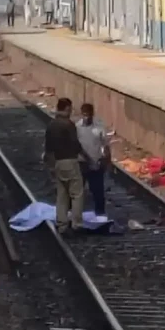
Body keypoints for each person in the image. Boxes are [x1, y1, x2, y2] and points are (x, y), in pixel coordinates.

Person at [44, 98, 88, 233]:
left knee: (62, 194)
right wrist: (86, 157)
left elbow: (48, 147)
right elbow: (75, 144)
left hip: (58, 162)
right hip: (70, 161)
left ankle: (61, 223)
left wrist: (51, 165)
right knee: (77, 193)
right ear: (67, 108)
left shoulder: (51, 124)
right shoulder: (68, 124)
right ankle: (77, 223)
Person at [76, 103, 110, 216]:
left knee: (98, 192)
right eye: (85, 115)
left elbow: (105, 145)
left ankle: (100, 214)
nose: (87, 117)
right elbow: (76, 146)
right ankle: (75, 215)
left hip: (96, 164)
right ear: (82, 114)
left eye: (89, 115)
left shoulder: (99, 127)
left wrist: (106, 161)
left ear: (92, 114)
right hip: (82, 164)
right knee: (78, 192)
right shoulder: (77, 128)